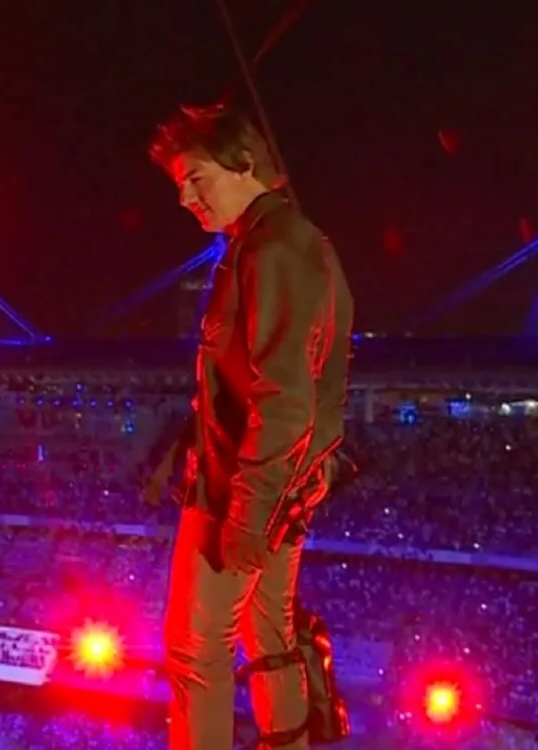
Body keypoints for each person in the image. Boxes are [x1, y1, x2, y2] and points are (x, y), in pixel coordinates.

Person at [148, 104, 354, 749]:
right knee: (268, 637)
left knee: (194, 652)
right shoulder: (279, 243)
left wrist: (244, 514)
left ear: (243, 164)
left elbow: (284, 399)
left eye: (195, 179)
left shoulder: (275, 250)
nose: (184, 198)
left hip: (242, 491)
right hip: (274, 489)